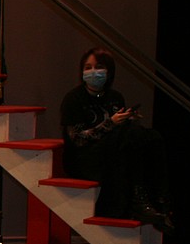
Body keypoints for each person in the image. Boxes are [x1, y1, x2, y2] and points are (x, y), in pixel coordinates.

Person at [60, 46, 174, 232]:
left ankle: (160, 200)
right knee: (131, 137)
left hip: (112, 151)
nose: (93, 72)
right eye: (88, 67)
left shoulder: (115, 97)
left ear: (109, 71)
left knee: (151, 137)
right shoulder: (74, 99)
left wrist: (125, 120)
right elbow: (78, 139)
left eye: (98, 67)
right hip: (84, 157)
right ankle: (137, 201)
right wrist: (110, 123)